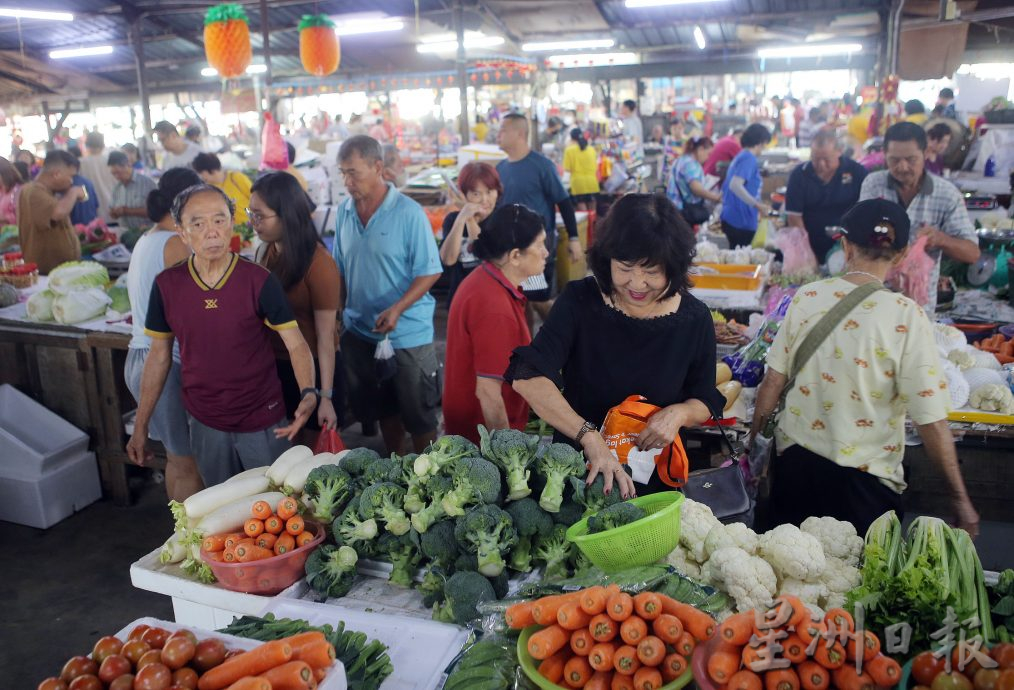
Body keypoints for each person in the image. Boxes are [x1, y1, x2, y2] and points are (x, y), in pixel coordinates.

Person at [750, 199, 979, 536]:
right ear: (901, 256)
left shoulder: (808, 297)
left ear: (845, 245)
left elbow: (772, 382)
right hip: (865, 484)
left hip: (798, 470)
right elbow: (930, 420)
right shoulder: (907, 315)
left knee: (789, 578)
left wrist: (754, 447)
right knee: (861, 583)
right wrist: (960, 498)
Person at [506, 194, 726, 498]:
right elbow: (528, 376)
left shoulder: (694, 319)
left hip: (654, 487)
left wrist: (678, 414)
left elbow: (705, 399)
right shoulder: (580, 302)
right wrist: (590, 437)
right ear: (606, 258)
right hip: (574, 479)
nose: (637, 284)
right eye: (624, 267)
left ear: (674, 266)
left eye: (651, 271)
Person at [126, 184, 317, 486]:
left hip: (262, 417)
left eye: (219, 220)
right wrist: (141, 424)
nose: (211, 231)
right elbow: (159, 356)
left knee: (277, 502)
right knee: (222, 509)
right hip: (205, 420)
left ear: (232, 222)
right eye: (198, 223)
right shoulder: (167, 286)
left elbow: (296, 344)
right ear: (181, 231)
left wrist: (309, 392)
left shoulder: (258, 280)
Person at [332, 135, 443, 455]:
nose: (347, 181)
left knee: (420, 417)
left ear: (378, 167)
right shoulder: (343, 212)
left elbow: (430, 270)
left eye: (354, 172)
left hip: (406, 333)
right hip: (360, 331)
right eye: (343, 173)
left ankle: (428, 477)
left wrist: (397, 308)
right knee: (383, 410)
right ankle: (395, 466)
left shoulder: (409, 213)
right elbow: (340, 268)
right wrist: (338, 313)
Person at [124, 167, 204, 501]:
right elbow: (192, 311)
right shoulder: (174, 244)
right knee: (189, 464)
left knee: (177, 458)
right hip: (161, 364)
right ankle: (189, 545)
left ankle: (182, 540)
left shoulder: (148, 238)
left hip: (139, 359)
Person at [443, 205, 548, 444]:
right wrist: (506, 457)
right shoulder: (493, 306)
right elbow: (489, 393)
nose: (546, 253)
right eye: (540, 245)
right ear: (514, 256)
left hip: (469, 423)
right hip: (480, 434)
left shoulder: (487, 279)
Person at [252, 172, 342, 441]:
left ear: (286, 214)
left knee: (310, 453)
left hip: (312, 369)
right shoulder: (264, 252)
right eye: (250, 212)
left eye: (260, 215)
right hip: (274, 366)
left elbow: (326, 338)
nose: (252, 222)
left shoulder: (320, 265)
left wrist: (325, 396)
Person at [859, 122, 979, 313]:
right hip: (874, 302)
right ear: (884, 156)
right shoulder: (874, 184)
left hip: (919, 308)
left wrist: (940, 239)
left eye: (911, 159)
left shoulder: (947, 194)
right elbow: (859, 233)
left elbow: (972, 253)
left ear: (925, 153)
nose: (903, 167)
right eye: (894, 160)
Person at [495, 113, 582, 312]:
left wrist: (574, 238)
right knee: (518, 300)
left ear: (519, 133)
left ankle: (564, 340)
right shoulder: (500, 169)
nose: (498, 135)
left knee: (538, 299)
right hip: (510, 248)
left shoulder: (541, 165)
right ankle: (526, 342)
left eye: (503, 130)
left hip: (536, 247)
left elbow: (564, 202)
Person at [785, 129, 868, 262]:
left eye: (826, 159)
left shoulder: (857, 172)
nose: (821, 165)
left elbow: (867, 210)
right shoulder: (799, 175)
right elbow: (794, 217)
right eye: (816, 159)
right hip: (810, 242)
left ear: (839, 151)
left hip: (848, 243)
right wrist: (806, 253)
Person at [440, 161, 501, 306]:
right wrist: (462, 217)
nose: (485, 200)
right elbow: (448, 259)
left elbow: (485, 255)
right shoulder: (452, 220)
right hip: (461, 300)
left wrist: (470, 218)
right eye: (476, 193)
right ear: (462, 194)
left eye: (489, 191)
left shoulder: (503, 219)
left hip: (493, 301)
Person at [17, 150, 83, 273]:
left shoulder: (46, 191)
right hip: (47, 273)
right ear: (56, 174)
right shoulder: (34, 191)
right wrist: (74, 192)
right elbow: (58, 213)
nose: (72, 181)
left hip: (58, 271)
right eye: (71, 176)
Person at [720, 123, 772, 248]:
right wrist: (757, 204)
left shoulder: (742, 156)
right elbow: (735, 185)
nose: (764, 148)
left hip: (734, 218)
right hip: (740, 221)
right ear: (760, 142)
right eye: (765, 144)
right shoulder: (749, 158)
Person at [667, 136, 721, 226]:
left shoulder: (681, 159)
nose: (708, 158)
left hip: (674, 207)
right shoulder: (691, 164)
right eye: (708, 154)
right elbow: (696, 189)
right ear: (700, 149)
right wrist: (715, 198)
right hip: (685, 210)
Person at [191, 153, 253, 225]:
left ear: (211, 170)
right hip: (231, 232)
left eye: (200, 172)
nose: (200, 176)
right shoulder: (209, 190)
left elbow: (255, 198)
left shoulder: (236, 178)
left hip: (251, 226)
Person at [107, 150, 157, 236]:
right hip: (126, 234)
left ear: (128, 165)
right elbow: (112, 211)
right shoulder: (117, 188)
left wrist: (126, 211)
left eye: (118, 173)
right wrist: (114, 213)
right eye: (113, 174)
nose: (116, 177)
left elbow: (156, 211)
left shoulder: (148, 183)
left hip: (148, 234)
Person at [78, 132, 117, 222]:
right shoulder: (111, 161)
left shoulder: (80, 163)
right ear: (103, 145)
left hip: (90, 212)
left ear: (86, 145)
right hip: (112, 209)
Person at [562, 128, 599, 212]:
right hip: (592, 183)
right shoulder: (591, 149)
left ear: (571, 138)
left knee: (584, 214)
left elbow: (567, 169)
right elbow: (595, 166)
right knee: (593, 212)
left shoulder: (569, 150)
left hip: (578, 185)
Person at [67, 154, 100, 226]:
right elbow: (96, 205)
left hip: (75, 228)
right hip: (91, 226)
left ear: (70, 167)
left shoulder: (66, 184)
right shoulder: (88, 182)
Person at [0, 156, 23, 225]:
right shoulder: (2, 190)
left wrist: (4, 218)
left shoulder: (18, 190)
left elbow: (24, 216)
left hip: (13, 233)